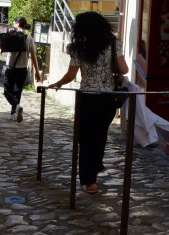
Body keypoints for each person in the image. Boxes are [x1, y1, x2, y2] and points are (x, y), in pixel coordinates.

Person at [49, 11, 129, 193]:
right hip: (108, 99)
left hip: (87, 98)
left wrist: (58, 83)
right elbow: (124, 69)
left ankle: (89, 179)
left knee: (85, 139)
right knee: (100, 136)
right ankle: (94, 169)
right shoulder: (113, 44)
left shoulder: (78, 48)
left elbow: (71, 75)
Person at [0, 17, 41, 122]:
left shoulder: (11, 35)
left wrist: (6, 34)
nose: (13, 24)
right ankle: (14, 114)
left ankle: (16, 108)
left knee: (7, 92)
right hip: (23, 69)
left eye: (14, 23)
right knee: (17, 92)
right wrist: (37, 72)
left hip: (11, 68)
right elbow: (34, 57)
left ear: (18, 24)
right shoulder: (29, 39)